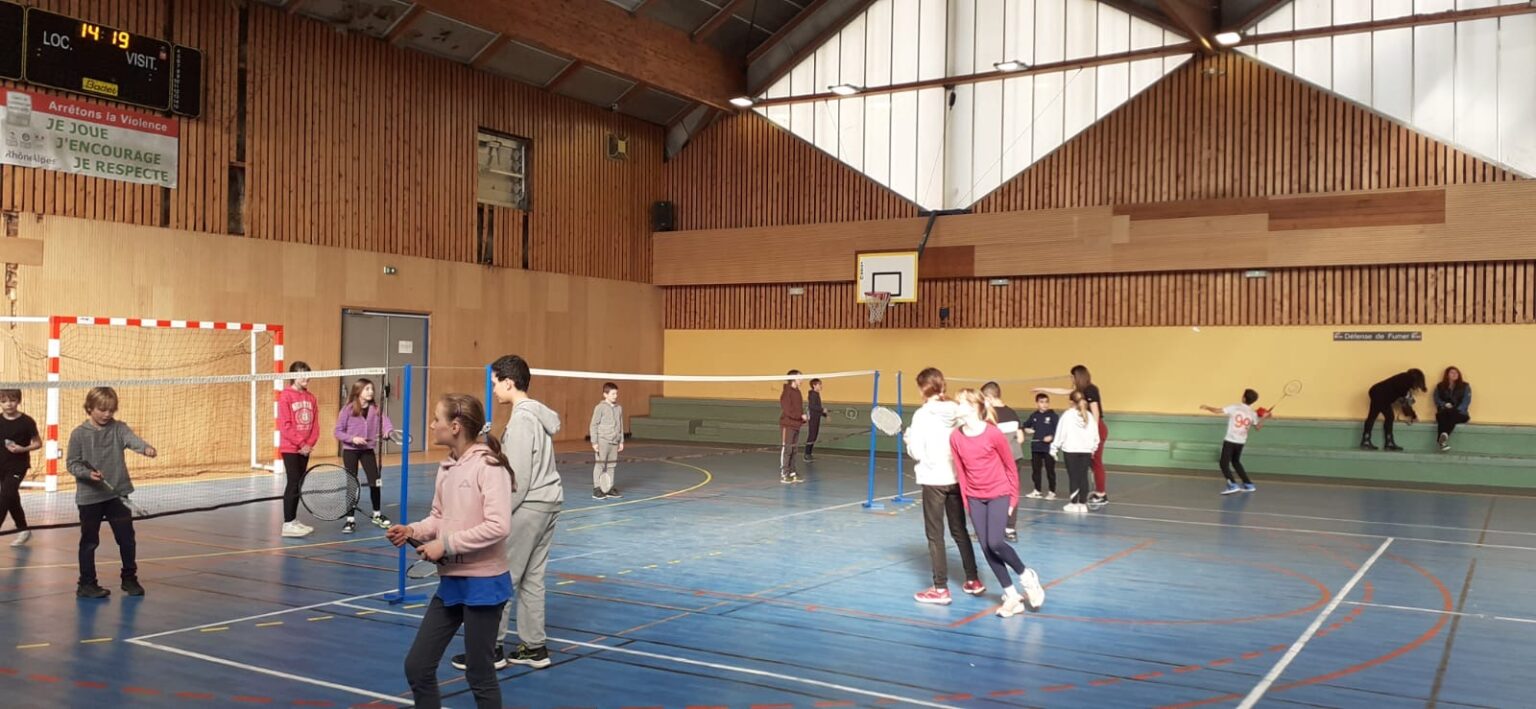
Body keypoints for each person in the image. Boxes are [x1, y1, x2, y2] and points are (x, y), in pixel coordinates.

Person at [390, 394, 512, 709]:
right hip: (451, 582)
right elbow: (439, 516)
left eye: (436, 419)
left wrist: (445, 544)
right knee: (417, 666)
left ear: (455, 426)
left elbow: (498, 526)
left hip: (484, 584)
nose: (431, 425)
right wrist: (413, 531)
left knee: (479, 673)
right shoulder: (446, 467)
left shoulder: (489, 466)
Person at [451, 355, 562, 672]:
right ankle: (534, 647)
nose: (494, 389)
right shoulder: (535, 415)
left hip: (529, 508)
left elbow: (519, 480)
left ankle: (489, 650)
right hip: (549, 504)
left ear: (509, 382)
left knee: (501, 577)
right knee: (531, 579)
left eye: (496, 383)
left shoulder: (524, 420)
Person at [948, 390, 1046, 618]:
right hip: (974, 498)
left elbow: (1010, 467)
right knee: (985, 548)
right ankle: (1012, 596)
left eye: (960, 403)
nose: (957, 406)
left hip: (999, 493)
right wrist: (967, 503)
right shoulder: (955, 437)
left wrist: (1013, 499)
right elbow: (961, 473)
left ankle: (1026, 576)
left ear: (973, 407)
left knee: (995, 542)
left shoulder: (992, 434)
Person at [66, 387, 157, 598]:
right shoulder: (79, 434)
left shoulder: (119, 428)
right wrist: (88, 474)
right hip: (90, 498)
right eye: (102, 409)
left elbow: (133, 440)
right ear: (90, 408)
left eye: (111, 410)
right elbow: (72, 464)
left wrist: (145, 449)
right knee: (89, 542)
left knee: (127, 539)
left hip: (117, 495)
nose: (107, 414)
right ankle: (86, 584)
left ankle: (129, 579)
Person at [905, 367, 984, 604]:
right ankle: (973, 579)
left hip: (933, 479)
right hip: (956, 478)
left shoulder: (921, 415)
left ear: (922, 388)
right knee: (960, 530)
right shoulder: (957, 410)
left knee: (935, 534)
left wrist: (909, 440)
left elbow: (918, 452)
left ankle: (940, 589)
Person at [1037, 365, 1108, 506]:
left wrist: (1093, 432)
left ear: (1078, 376)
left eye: (1072, 376)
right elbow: (1063, 391)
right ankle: (1090, 492)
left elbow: (1095, 412)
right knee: (1089, 464)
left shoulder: (1090, 389)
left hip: (1094, 427)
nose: (1071, 379)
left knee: (1096, 462)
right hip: (1087, 427)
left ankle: (1101, 494)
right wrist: (1043, 389)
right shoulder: (1079, 391)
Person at [334, 377, 396, 534]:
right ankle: (350, 520)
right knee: (352, 483)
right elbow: (338, 431)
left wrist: (388, 431)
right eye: (367, 389)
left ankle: (377, 514)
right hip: (350, 450)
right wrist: (352, 438)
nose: (371, 392)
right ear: (358, 391)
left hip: (367, 450)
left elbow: (386, 423)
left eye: (372, 389)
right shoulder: (347, 409)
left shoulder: (375, 409)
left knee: (375, 481)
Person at [980, 382, 1026, 542]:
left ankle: (988, 529)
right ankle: (1010, 529)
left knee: (991, 493)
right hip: (1015, 459)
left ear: (989, 398)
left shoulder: (989, 415)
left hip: (996, 462)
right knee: (1011, 492)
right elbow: (1020, 438)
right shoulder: (1012, 413)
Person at [278, 361, 319, 538]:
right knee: (293, 482)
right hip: (291, 448)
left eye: (307, 373)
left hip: (305, 448)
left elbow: (315, 424)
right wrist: (301, 443)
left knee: (299, 484)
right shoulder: (285, 396)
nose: (306, 377)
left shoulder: (311, 397)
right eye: (302, 373)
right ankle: (287, 523)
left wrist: (310, 444)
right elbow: (285, 425)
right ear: (293, 375)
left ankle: (293, 520)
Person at [1200, 389, 1268, 494]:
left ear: (1244, 398)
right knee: (1236, 462)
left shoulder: (1235, 407)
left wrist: (1206, 407)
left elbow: (1217, 411)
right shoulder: (1252, 413)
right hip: (1241, 442)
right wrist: (1264, 417)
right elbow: (1258, 427)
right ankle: (1248, 484)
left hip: (1230, 440)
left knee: (1223, 463)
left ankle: (1232, 485)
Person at [0, 388, 41, 547]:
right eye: (4, 401)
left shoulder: (27, 422)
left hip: (18, 466)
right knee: (11, 497)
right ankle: (23, 530)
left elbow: (38, 443)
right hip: (1, 466)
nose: (8, 404)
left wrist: (22, 449)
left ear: (18, 401)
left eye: (12, 400)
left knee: (5, 497)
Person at [1050, 391, 1100, 513]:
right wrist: (1093, 448)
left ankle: (1073, 503)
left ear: (1071, 402)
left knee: (1073, 477)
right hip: (1086, 451)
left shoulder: (1067, 415)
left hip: (1071, 450)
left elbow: (1060, 433)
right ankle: (1082, 504)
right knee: (1083, 476)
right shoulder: (1089, 415)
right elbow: (1095, 435)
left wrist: (1054, 448)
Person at [1361, 368, 1427, 451]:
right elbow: (1405, 404)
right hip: (1380, 395)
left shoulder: (1403, 378)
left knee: (1373, 416)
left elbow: (1402, 399)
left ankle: (1366, 440)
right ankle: (1388, 443)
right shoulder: (1406, 384)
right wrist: (1413, 416)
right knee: (1388, 417)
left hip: (1376, 391)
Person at [589, 382, 624, 499]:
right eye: (613, 394)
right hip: (602, 441)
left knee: (611, 466)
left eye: (616, 393)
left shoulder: (619, 408)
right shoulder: (600, 408)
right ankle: (597, 488)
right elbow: (593, 425)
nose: (615, 396)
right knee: (600, 465)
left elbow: (621, 425)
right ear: (605, 394)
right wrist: (594, 442)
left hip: (615, 442)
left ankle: (609, 488)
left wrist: (621, 441)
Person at [1023, 393, 1059, 502]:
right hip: (1036, 447)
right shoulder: (1034, 415)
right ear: (1037, 403)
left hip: (1048, 448)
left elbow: (1059, 431)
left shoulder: (1053, 416)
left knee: (1050, 470)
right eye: (1042, 402)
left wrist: (1051, 437)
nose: (1044, 404)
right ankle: (1037, 490)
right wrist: (1026, 429)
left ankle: (1052, 491)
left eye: (1046, 402)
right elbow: (1025, 425)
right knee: (1036, 470)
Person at [1433, 367, 1471, 452]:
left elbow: (1466, 401)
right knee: (1441, 415)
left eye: (1456, 373)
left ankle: (1442, 437)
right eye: (1452, 373)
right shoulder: (1440, 386)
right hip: (1444, 412)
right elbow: (1436, 399)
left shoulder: (1465, 386)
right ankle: (1443, 441)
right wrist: (1444, 404)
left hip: (1460, 414)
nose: (1455, 374)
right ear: (1447, 375)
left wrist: (1455, 409)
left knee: (1451, 414)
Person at [778, 370, 806, 483]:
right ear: (793, 378)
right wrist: (800, 416)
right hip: (787, 424)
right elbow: (788, 410)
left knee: (794, 449)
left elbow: (799, 408)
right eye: (800, 377)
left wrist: (803, 418)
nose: (802, 380)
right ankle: (784, 473)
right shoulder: (786, 393)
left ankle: (792, 472)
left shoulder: (798, 392)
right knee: (787, 449)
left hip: (796, 425)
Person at [803, 378, 828, 462]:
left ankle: (809, 453)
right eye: (819, 384)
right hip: (813, 418)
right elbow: (812, 406)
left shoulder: (816, 394)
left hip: (816, 417)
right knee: (812, 435)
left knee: (814, 436)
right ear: (814, 385)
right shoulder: (813, 394)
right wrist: (822, 410)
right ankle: (807, 454)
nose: (821, 386)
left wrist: (824, 414)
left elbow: (817, 407)